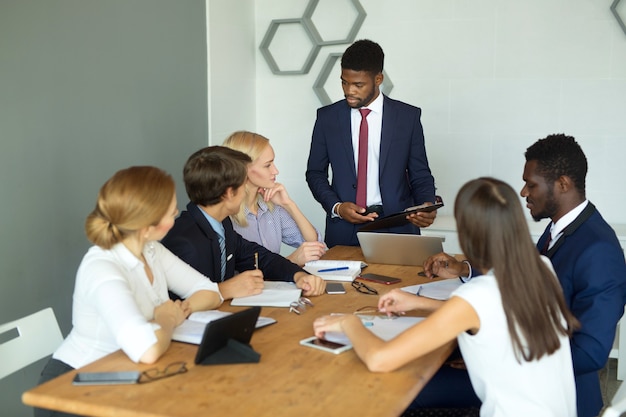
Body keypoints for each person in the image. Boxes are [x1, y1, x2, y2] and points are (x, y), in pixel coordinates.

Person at [314, 177, 579, 416]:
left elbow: (380, 359)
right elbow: (489, 315)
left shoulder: (478, 295)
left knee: (393, 385)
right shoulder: (540, 267)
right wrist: (419, 302)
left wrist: (349, 323)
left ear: (468, 236)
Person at [424, 134, 626, 417]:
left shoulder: (599, 250)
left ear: (563, 184)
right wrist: (464, 268)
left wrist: (494, 357)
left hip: (551, 393)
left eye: (531, 185)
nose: (523, 192)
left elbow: (590, 353)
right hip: (521, 371)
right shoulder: (562, 227)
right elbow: (522, 269)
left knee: (416, 385)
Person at [35, 166, 223, 417]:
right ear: (147, 226)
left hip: (128, 371)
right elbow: (148, 350)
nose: (177, 215)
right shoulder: (103, 267)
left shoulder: (150, 249)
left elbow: (210, 291)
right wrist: (166, 319)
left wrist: (179, 310)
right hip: (76, 387)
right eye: (171, 212)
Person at [306, 39, 438, 247]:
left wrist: (427, 205)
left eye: (358, 84)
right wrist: (337, 207)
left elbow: (420, 174)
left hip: (399, 227)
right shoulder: (327, 118)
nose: (349, 90)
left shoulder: (407, 117)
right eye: (344, 82)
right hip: (343, 229)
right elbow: (315, 173)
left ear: (378, 79)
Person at [161, 146, 326, 301]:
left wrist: (298, 275)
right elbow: (186, 303)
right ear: (229, 193)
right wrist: (224, 289)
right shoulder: (185, 242)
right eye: (243, 185)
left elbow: (260, 256)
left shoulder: (221, 223)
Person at [222, 130, 327, 266]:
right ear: (242, 169)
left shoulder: (270, 207)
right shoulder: (224, 216)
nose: (275, 171)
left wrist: (289, 204)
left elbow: (317, 246)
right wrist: (290, 261)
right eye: (267, 165)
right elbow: (234, 278)